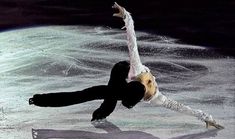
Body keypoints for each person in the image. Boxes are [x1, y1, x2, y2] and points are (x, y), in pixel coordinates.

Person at [29, 2, 223, 129]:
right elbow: (132, 43)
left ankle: (96, 113)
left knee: (100, 95)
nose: (149, 82)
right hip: (120, 70)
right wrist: (126, 17)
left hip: (122, 89)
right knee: (96, 95)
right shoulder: (137, 70)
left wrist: (206, 118)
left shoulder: (157, 98)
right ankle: (92, 111)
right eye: (146, 82)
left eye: (146, 86)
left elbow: (180, 107)